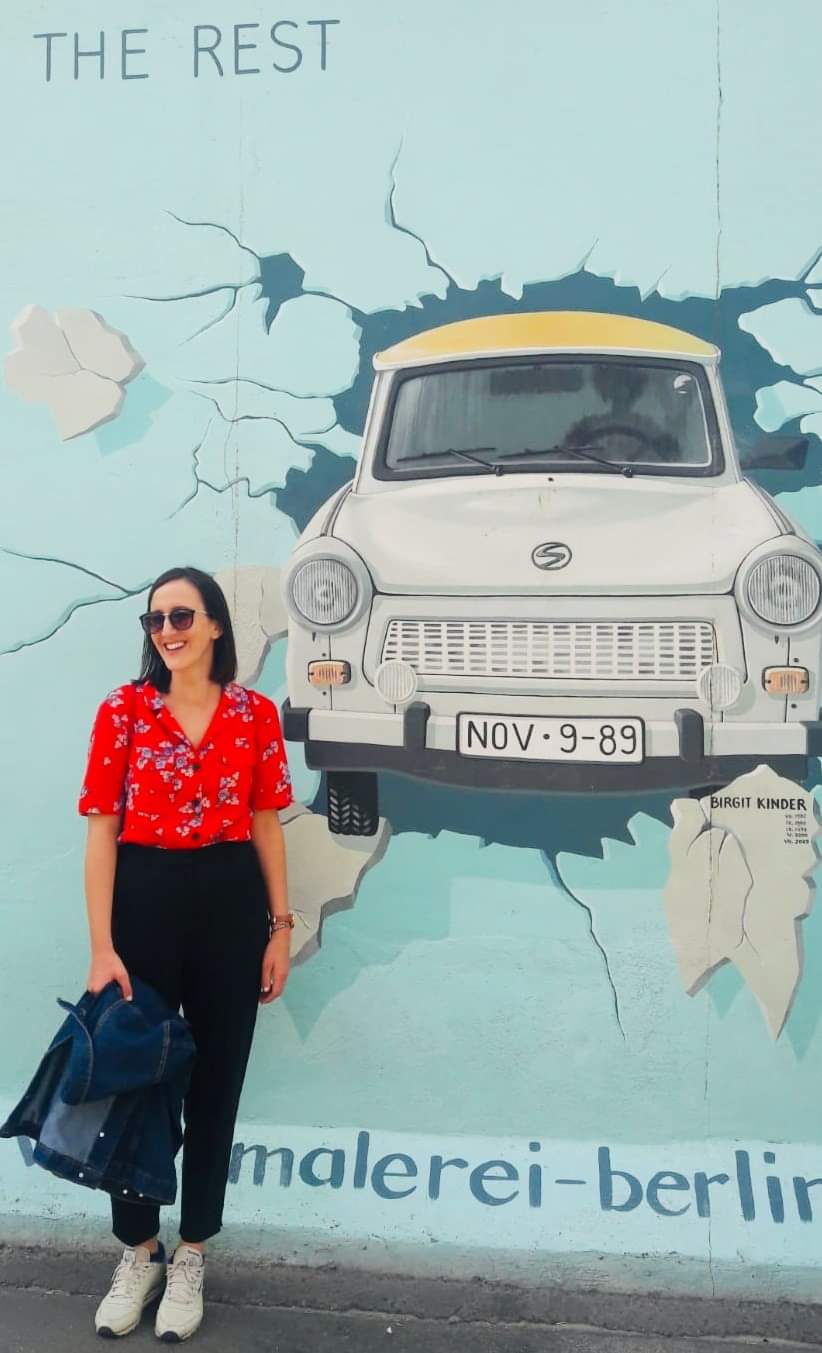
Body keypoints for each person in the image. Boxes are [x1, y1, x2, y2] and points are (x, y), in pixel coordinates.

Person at [79, 565, 293, 1342]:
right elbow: (102, 830)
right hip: (143, 898)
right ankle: (139, 1249)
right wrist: (102, 946)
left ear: (215, 625)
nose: (166, 630)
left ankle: (193, 1249)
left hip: (231, 901)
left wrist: (280, 925)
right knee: (135, 1082)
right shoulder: (124, 710)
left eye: (181, 615)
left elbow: (266, 820)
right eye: (156, 618)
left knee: (215, 1079)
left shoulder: (254, 713)